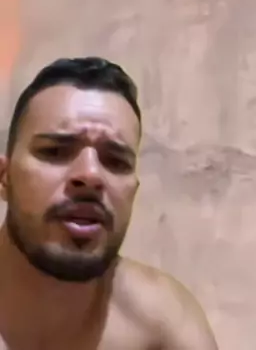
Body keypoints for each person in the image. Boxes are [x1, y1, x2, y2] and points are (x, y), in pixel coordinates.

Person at [0, 57, 218, 349]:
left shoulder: (162, 327)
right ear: (4, 178)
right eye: (55, 151)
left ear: (133, 191)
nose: (90, 175)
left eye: (115, 161)